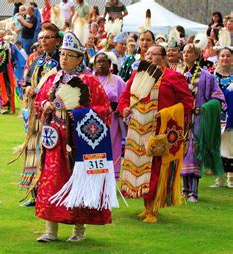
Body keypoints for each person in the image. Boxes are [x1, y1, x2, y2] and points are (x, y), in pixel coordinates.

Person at [34, 31, 116, 242]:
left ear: (80, 58)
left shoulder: (89, 81)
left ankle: (78, 231)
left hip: (78, 141)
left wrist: (77, 114)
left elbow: (104, 110)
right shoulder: (53, 78)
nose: (64, 58)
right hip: (54, 140)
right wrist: (45, 105)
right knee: (51, 181)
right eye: (62, 54)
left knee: (78, 182)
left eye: (69, 55)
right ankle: (50, 231)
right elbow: (38, 100)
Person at [118, 45, 195, 223]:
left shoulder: (173, 77)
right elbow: (125, 97)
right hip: (138, 130)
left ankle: (153, 209)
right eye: (147, 54)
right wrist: (124, 109)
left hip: (161, 132)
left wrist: (168, 113)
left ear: (164, 57)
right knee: (141, 168)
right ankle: (147, 207)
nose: (149, 56)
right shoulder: (137, 76)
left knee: (156, 168)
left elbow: (187, 103)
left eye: (153, 54)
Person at [17, 23, 62, 206]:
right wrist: (27, 87)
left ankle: (51, 193)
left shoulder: (62, 60)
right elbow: (26, 81)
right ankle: (35, 193)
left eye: (48, 37)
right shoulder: (37, 60)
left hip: (55, 115)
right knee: (34, 151)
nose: (43, 41)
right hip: (35, 115)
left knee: (51, 152)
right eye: (41, 38)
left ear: (57, 40)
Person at [180, 43, 226, 202]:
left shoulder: (206, 76)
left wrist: (204, 108)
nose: (186, 54)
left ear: (197, 55)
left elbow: (218, 98)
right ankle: (183, 190)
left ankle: (193, 191)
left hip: (198, 121)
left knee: (194, 154)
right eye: (184, 52)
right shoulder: (177, 75)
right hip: (180, 121)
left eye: (190, 52)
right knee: (181, 153)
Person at [93, 52, 126, 179]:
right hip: (93, 120)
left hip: (112, 120)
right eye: (98, 62)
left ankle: (110, 178)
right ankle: (96, 177)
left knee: (111, 147)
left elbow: (125, 98)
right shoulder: (90, 79)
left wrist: (120, 108)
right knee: (95, 147)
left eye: (104, 61)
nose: (101, 64)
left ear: (109, 64)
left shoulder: (117, 81)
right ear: (94, 64)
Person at [212, 47, 233, 188]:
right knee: (217, 144)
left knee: (231, 144)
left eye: (228, 56)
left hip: (232, 114)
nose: (225, 58)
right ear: (218, 58)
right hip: (217, 113)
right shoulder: (212, 75)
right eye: (222, 56)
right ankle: (219, 177)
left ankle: (230, 178)